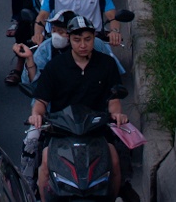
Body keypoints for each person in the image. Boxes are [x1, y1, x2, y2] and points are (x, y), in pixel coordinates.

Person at [27, 12, 130, 195]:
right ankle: (31, 189)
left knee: (114, 159)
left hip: (96, 128)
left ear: (94, 39)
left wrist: (117, 115)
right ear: (69, 39)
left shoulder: (107, 64)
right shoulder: (55, 66)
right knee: (43, 162)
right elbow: (41, 101)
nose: (83, 45)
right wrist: (36, 115)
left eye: (88, 39)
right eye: (77, 40)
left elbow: (114, 99)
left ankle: (118, 194)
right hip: (61, 130)